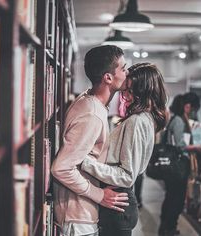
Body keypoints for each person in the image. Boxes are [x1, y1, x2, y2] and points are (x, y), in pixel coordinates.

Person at [81, 62, 168, 236]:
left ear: (144, 91)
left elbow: (127, 176)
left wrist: (85, 162)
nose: (125, 96)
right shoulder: (145, 118)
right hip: (118, 201)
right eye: (124, 90)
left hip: (117, 202)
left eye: (130, 90)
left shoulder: (137, 121)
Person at [51, 45, 129, 236]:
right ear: (108, 77)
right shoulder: (92, 113)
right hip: (78, 218)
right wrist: (100, 194)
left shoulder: (91, 101)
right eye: (123, 68)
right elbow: (61, 167)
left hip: (81, 214)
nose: (128, 73)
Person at [158, 92, 201, 236]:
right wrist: (196, 147)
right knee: (176, 198)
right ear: (186, 106)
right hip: (177, 167)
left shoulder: (174, 118)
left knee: (171, 196)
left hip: (171, 166)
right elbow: (180, 146)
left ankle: (166, 227)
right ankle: (169, 228)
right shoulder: (178, 121)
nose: (191, 110)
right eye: (191, 107)